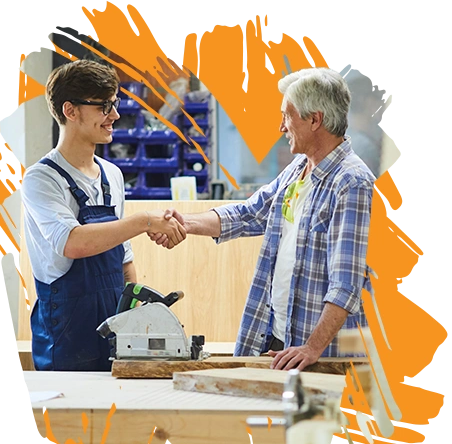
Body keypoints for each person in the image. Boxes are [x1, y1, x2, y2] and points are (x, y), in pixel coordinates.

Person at [150, 67, 376, 371]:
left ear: (314, 119)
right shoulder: (299, 169)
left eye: (287, 115)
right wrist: (185, 223)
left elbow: (346, 285)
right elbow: (248, 214)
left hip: (323, 355)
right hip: (281, 341)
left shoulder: (352, 183)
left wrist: (312, 348)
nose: (281, 126)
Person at [20, 59, 186, 372]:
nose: (115, 115)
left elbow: (123, 258)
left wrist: (134, 318)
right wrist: (144, 221)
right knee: (68, 421)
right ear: (70, 111)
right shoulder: (41, 179)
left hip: (114, 328)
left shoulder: (112, 175)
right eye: (104, 106)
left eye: (115, 103)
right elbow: (72, 243)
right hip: (67, 333)